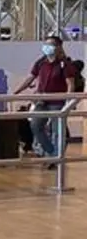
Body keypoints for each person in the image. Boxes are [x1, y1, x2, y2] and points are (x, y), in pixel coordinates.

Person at [13, 34, 79, 162]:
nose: (47, 47)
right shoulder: (41, 62)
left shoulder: (64, 64)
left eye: (50, 44)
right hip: (42, 101)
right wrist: (17, 92)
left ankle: (56, 158)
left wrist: (68, 101)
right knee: (35, 126)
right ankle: (51, 152)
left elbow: (70, 84)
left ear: (58, 47)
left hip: (57, 102)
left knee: (57, 130)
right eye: (45, 44)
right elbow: (30, 78)